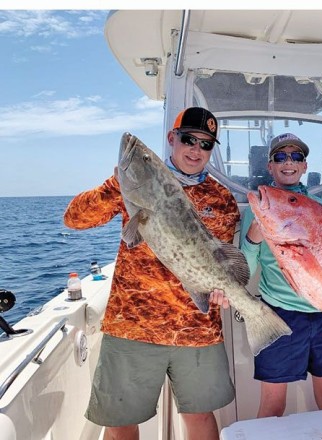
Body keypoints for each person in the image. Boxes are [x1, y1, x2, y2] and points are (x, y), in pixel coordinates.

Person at [64, 107, 237, 440]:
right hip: (133, 323)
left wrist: (221, 289)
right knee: (118, 422)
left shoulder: (222, 199)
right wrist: (116, 185)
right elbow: (74, 219)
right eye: (188, 139)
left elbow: (220, 259)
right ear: (172, 139)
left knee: (201, 416)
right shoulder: (134, 184)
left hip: (196, 329)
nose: (195, 150)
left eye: (205, 144)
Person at [212, 133, 322, 418]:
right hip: (279, 314)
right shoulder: (257, 210)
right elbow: (247, 269)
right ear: (270, 167)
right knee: (272, 404)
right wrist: (254, 239)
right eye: (280, 157)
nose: (288, 162)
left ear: (305, 166)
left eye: (296, 157)